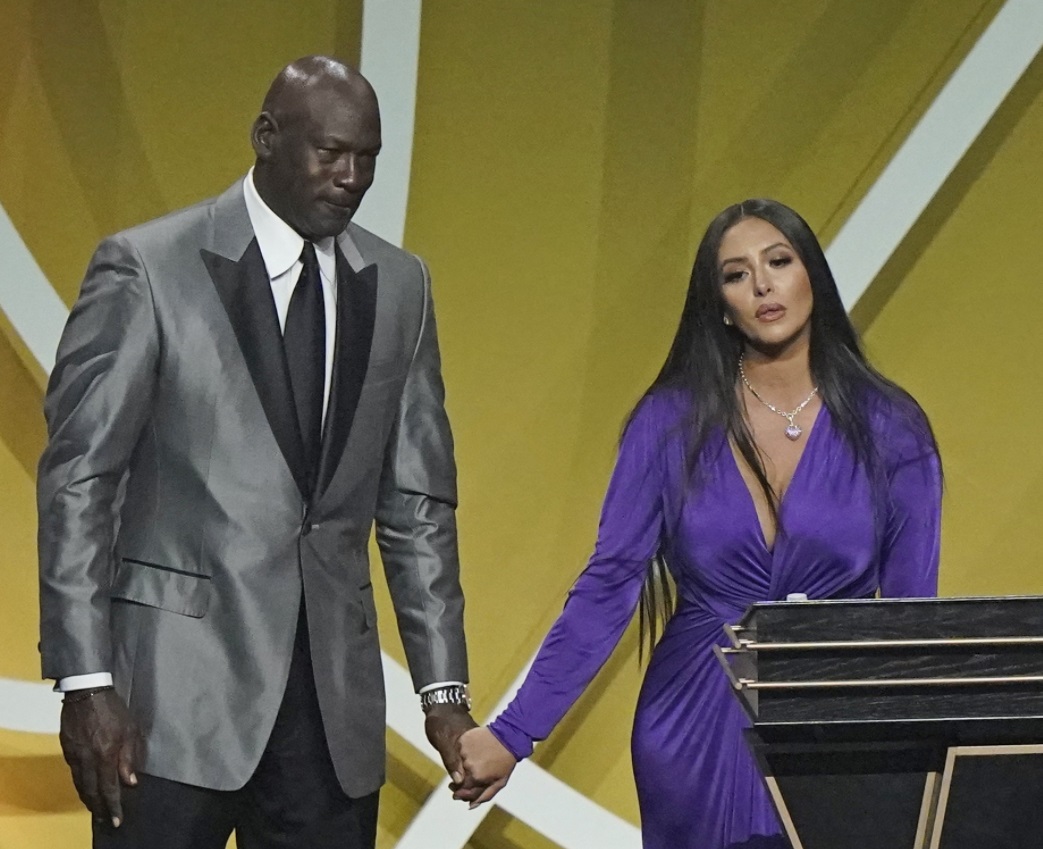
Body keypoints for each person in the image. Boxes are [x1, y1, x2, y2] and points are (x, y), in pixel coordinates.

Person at [37, 56, 478, 849]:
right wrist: (85, 681)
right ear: (266, 138)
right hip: (165, 710)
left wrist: (442, 691)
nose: (351, 177)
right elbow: (81, 478)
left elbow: (416, 504)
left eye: (367, 158)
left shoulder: (400, 283)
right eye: (331, 152)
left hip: (330, 718)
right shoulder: (147, 268)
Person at [454, 199, 942, 849]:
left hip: (836, 724)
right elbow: (609, 584)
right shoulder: (667, 422)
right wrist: (513, 732)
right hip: (693, 719)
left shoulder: (892, 426)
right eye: (735, 274)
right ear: (718, 303)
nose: (762, 284)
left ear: (812, 278)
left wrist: (921, 763)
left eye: (778, 261)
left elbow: (910, 621)